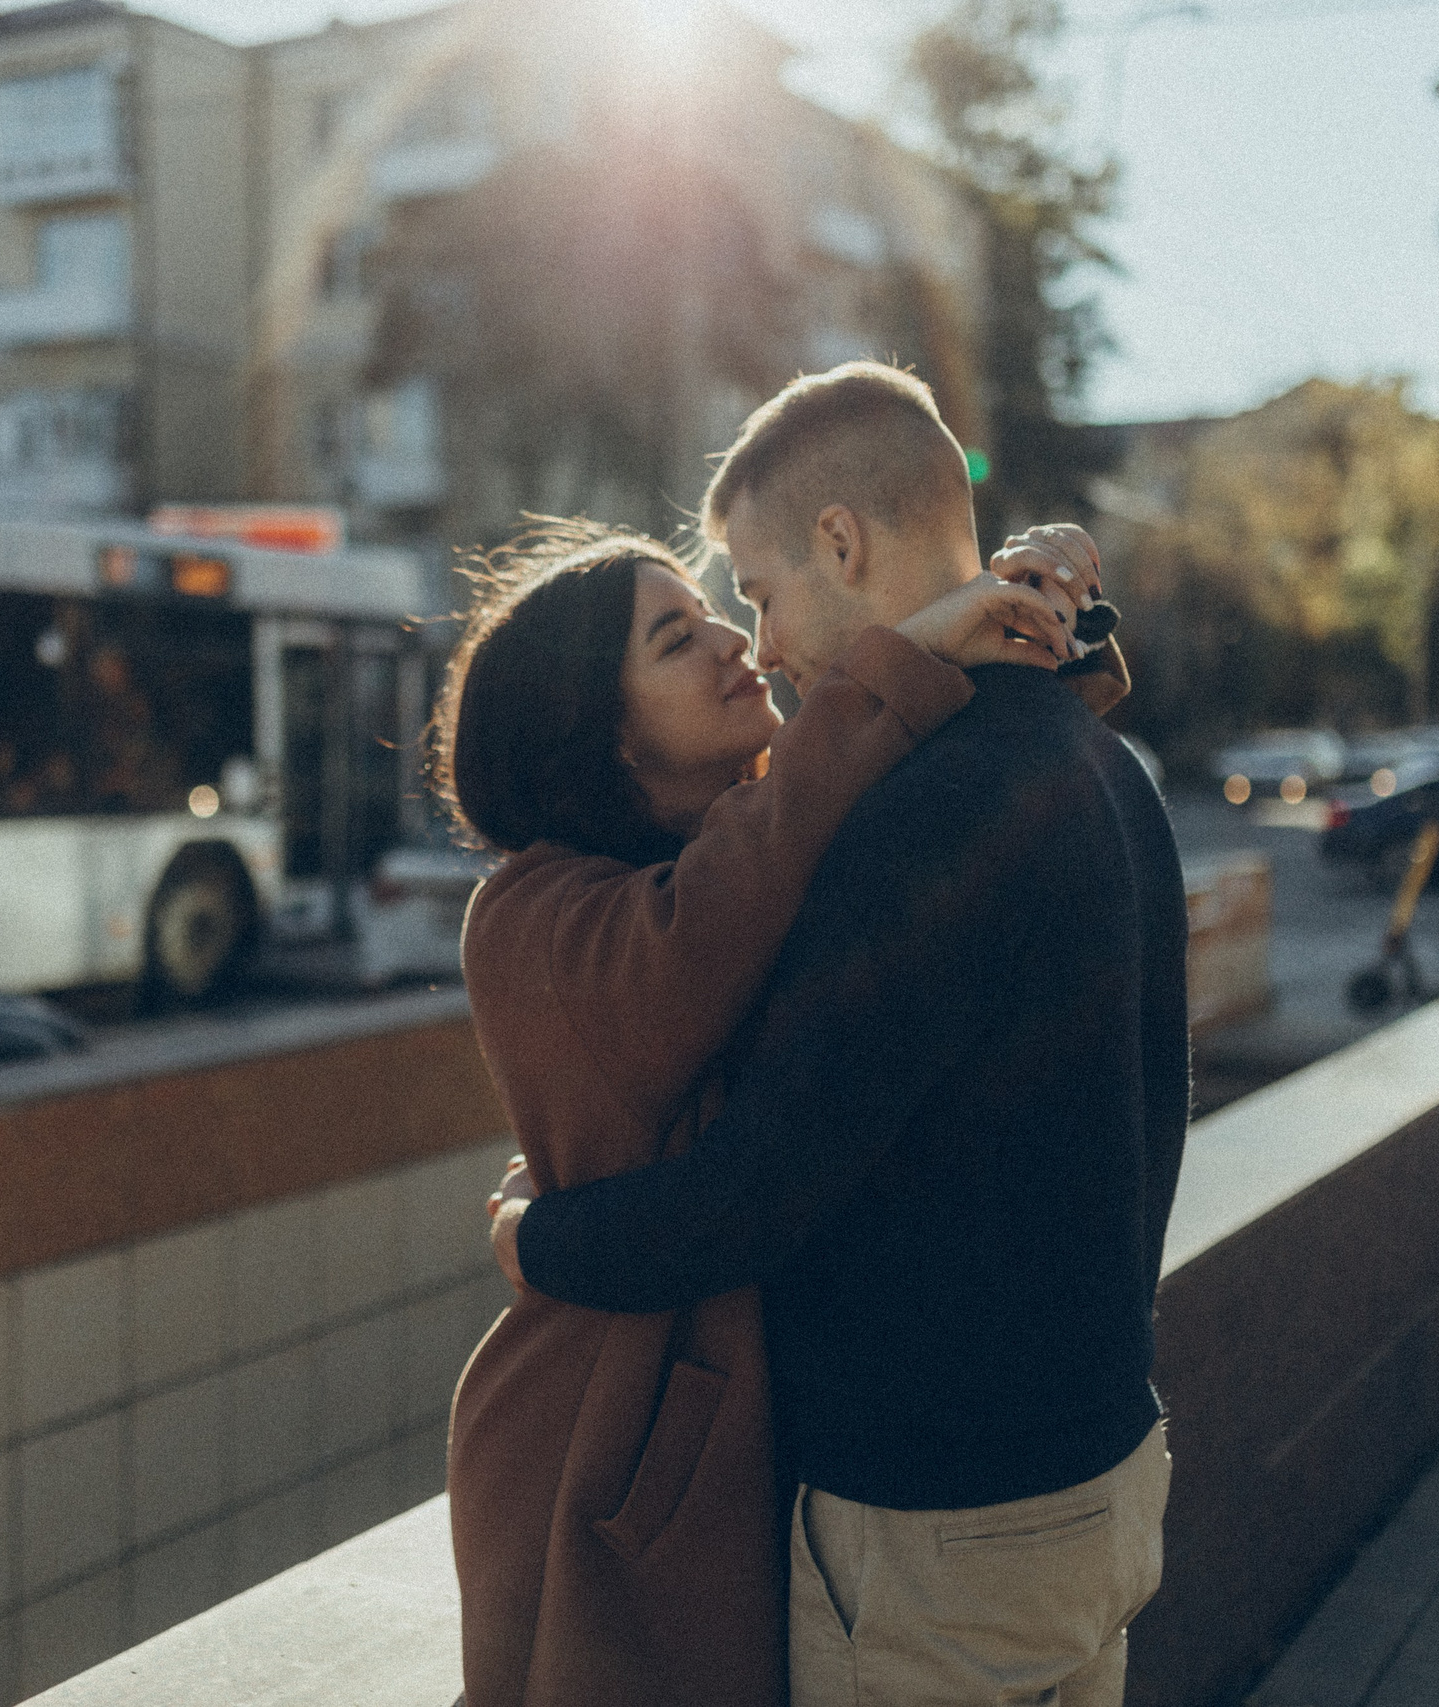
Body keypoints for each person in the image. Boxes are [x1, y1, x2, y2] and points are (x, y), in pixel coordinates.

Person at [491, 361, 1189, 1707]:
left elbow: (761, 1191)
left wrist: (539, 1237)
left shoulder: (915, 817)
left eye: (752, 591)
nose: (755, 644)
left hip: (939, 1533)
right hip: (1105, 1479)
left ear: (842, 543)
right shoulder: (1102, 766)